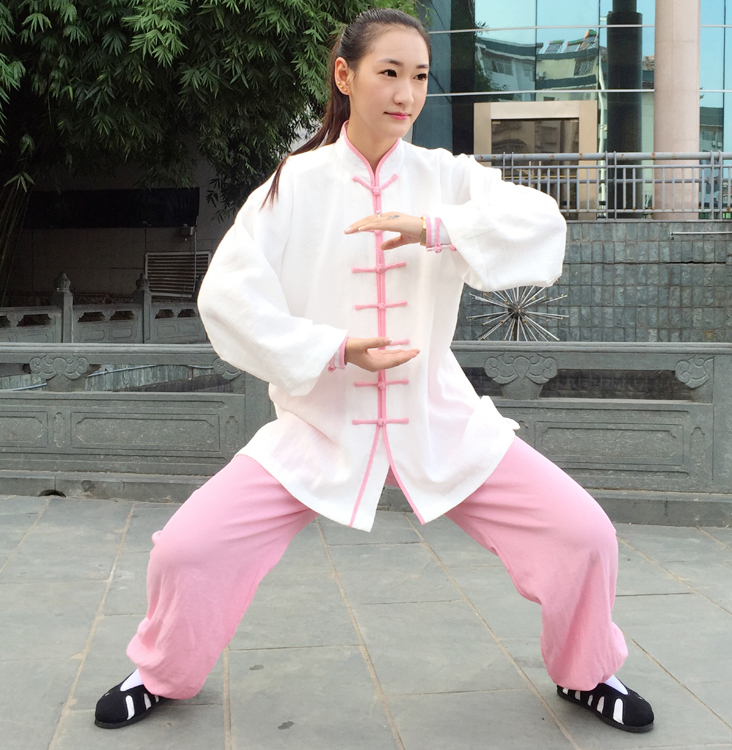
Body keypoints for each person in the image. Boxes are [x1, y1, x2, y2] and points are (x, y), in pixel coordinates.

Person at [94, 7, 654, 734]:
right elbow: (227, 297)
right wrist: (334, 347)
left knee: (586, 535)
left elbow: (543, 223)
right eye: (389, 72)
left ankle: (587, 672)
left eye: (419, 76)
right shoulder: (292, 186)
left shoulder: (445, 177)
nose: (406, 93)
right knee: (186, 548)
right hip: (322, 424)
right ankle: (161, 674)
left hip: (436, 417)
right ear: (345, 75)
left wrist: (437, 228)